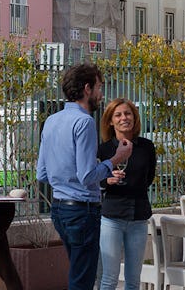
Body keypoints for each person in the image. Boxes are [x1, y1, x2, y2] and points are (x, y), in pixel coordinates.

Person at [37, 63, 132, 290]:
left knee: (78, 273)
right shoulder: (84, 122)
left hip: (59, 209)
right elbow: (87, 175)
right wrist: (116, 159)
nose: (101, 94)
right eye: (99, 87)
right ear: (87, 88)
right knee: (82, 280)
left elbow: (42, 173)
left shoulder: (51, 120)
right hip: (81, 211)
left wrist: (66, 182)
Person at [96, 99, 156, 290]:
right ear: (110, 121)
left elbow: (149, 177)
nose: (124, 118)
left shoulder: (146, 147)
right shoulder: (103, 149)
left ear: (135, 117)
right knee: (109, 278)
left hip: (139, 218)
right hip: (112, 217)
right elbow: (94, 179)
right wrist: (107, 181)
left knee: (133, 279)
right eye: (118, 115)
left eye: (128, 113)